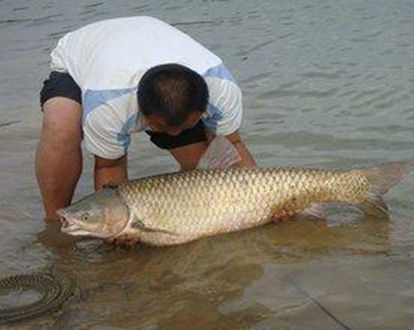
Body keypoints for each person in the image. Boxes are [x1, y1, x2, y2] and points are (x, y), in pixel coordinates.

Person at [36, 16, 256, 221]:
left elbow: (231, 145)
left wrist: (260, 206)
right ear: (143, 112)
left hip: (151, 45)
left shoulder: (223, 89)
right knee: (60, 128)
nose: (174, 136)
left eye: (184, 127)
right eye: (164, 128)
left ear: (202, 109)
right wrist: (117, 224)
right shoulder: (109, 105)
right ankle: (56, 220)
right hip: (79, 61)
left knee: (204, 176)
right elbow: (109, 166)